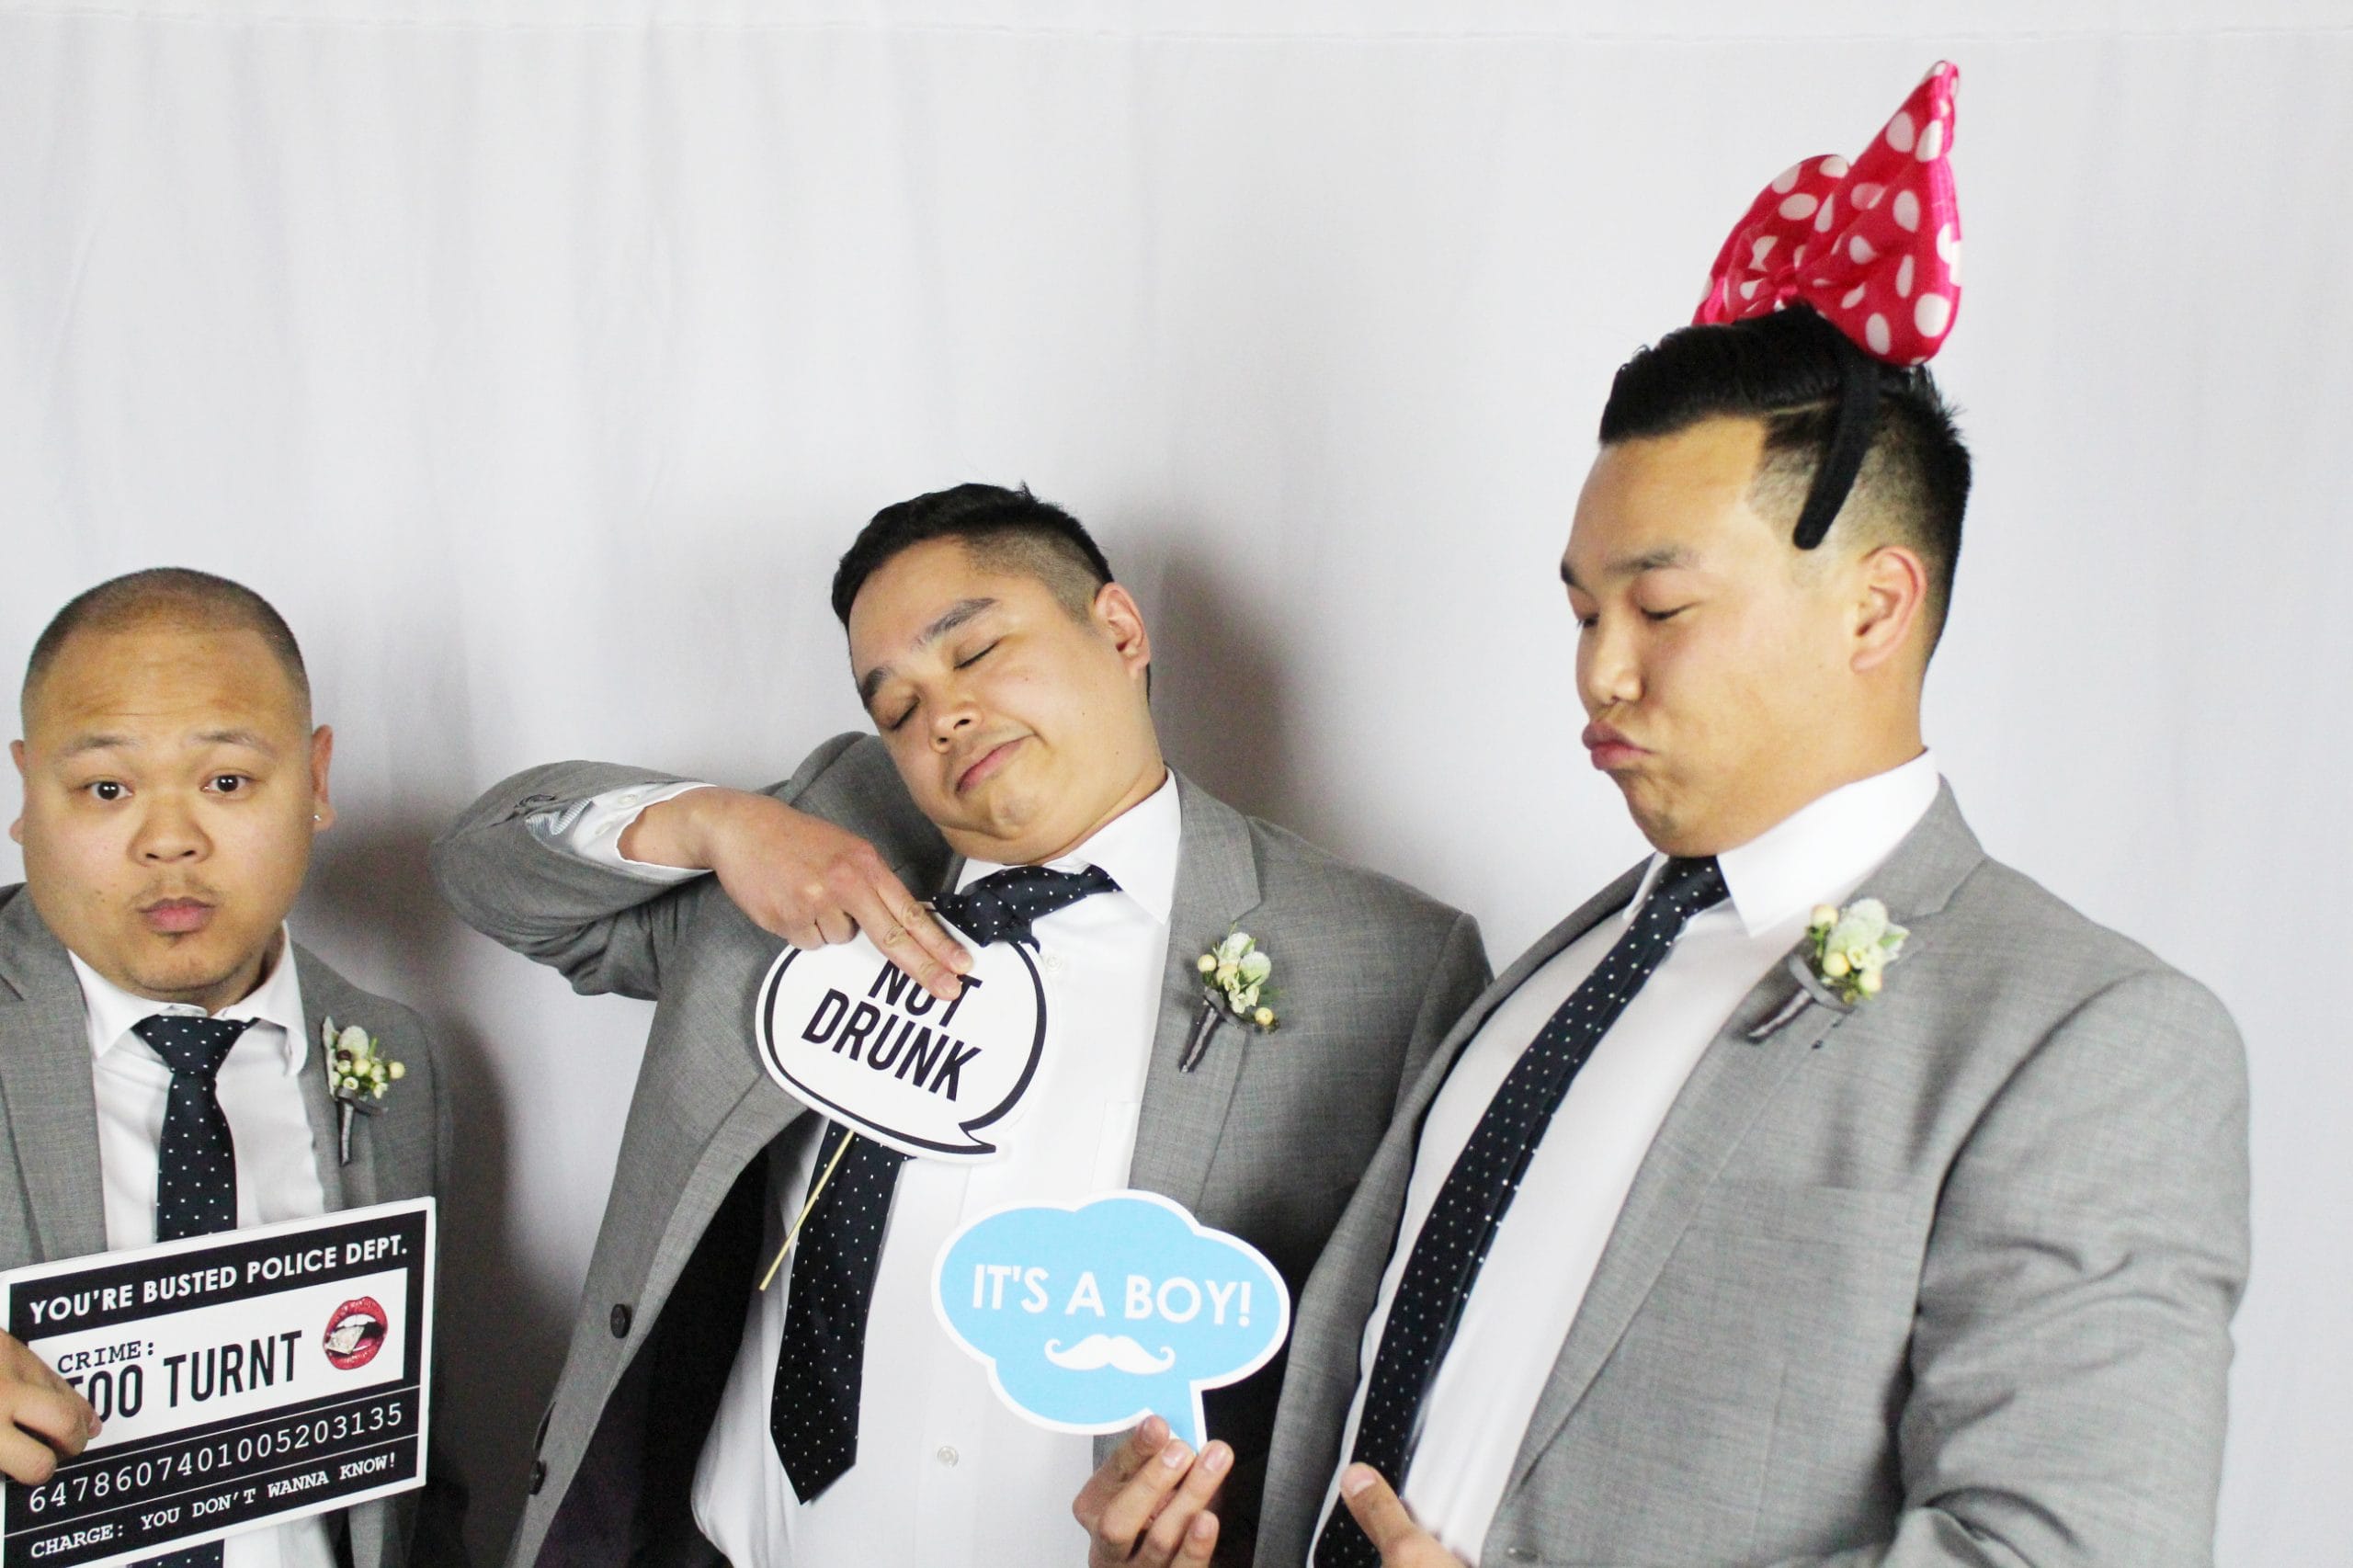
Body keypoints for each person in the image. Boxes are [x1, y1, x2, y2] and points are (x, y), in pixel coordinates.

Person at [1107, 63, 2249, 1567]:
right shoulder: (1557, 972)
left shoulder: (2084, 1038)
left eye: (1660, 608)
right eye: (1584, 611)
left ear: (1875, 607)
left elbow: (2069, 1551)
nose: (1599, 670)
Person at [430, 483, 1490, 1567]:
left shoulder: (1384, 961)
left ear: (1120, 629)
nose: (941, 716)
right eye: (896, 709)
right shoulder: (819, 861)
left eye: (975, 651)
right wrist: (713, 822)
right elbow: (486, 871)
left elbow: (1431, 1361)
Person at [1, 568, 468, 1568]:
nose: (171, 841)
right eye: (108, 788)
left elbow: (411, 1449)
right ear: (27, 793)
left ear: (317, 781)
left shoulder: (394, 1050)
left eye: (225, 782)